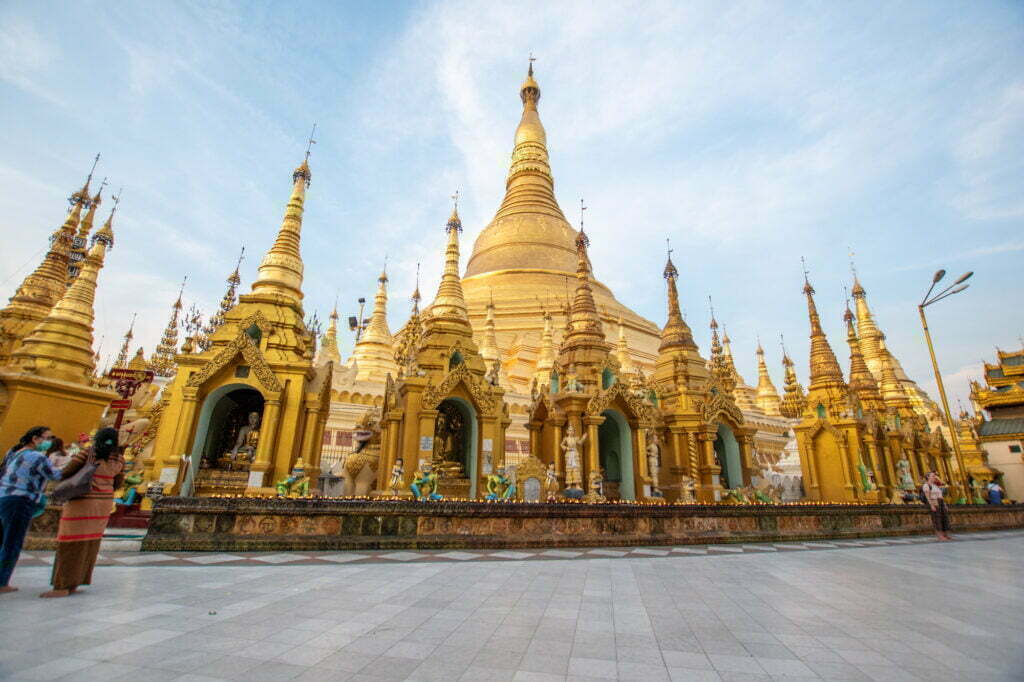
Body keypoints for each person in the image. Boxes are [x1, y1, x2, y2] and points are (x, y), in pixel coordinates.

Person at [41, 427, 123, 598]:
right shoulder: (118, 458)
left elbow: (67, 472)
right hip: (103, 504)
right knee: (90, 542)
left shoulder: (90, 453)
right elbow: (118, 483)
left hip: (82, 501)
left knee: (70, 541)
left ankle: (62, 585)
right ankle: (76, 581)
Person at [0, 426, 62, 594]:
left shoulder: (13, 452)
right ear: (35, 439)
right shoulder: (37, 456)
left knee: (4, 538)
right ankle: (2, 581)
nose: (49, 441)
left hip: (4, 497)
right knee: (12, 541)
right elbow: (55, 475)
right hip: (20, 500)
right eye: (48, 437)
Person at [921, 472, 951, 541]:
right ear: (928, 477)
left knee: (944, 518)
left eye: (935, 476)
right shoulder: (926, 485)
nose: (934, 477)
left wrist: (944, 504)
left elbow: (941, 494)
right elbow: (927, 496)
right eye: (933, 476)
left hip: (940, 502)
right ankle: (940, 536)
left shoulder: (935, 485)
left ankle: (945, 534)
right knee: (937, 519)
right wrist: (931, 505)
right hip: (934, 502)